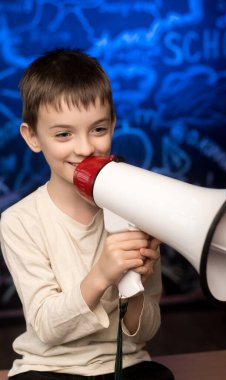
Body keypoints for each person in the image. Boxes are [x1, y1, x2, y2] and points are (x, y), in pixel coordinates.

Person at [0, 48, 174, 380]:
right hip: (48, 368)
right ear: (32, 137)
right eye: (64, 134)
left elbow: (147, 330)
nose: (84, 148)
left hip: (125, 365)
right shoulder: (19, 222)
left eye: (98, 129)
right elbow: (48, 328)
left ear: (113, 125)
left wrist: (134, 289)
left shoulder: (138, 209)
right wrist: (103, 274)